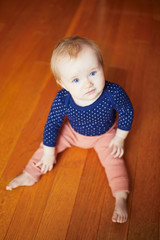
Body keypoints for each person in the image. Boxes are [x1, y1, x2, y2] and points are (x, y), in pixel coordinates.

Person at [6, 36, 134, 223]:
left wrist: (120, 137)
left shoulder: (113, 92)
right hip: (73, 132)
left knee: (114, 160)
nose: (87, 84)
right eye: (75, 80)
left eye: (93, 73)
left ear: (102, 67)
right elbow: (52, 124)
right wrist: (50, 153)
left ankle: (121, 196)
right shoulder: (63, 98)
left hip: (105, 134)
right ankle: (30, 173)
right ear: (63, 84)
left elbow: (126, 111)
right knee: (46, 147)